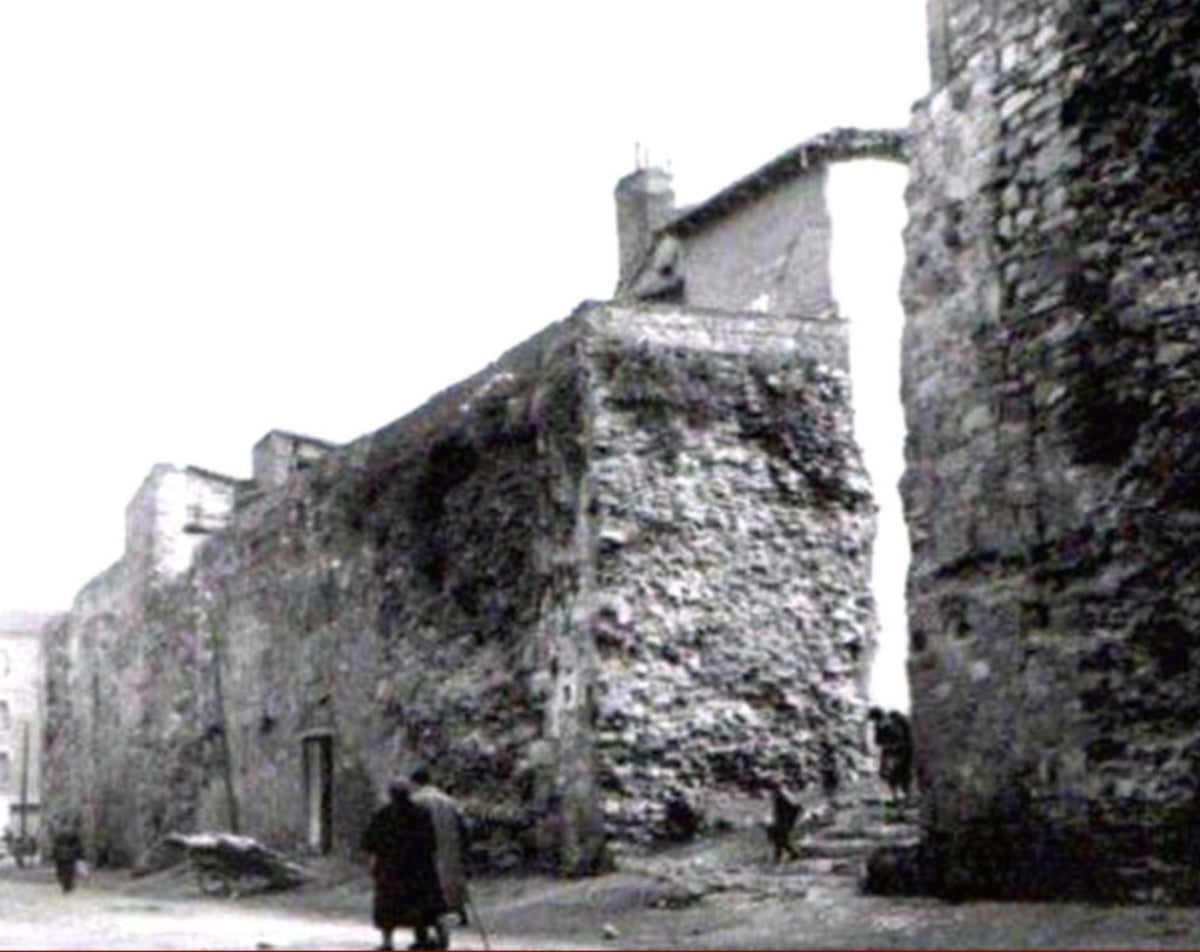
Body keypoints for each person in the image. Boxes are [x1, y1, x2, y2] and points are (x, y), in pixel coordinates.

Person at [361, 777, 444, 951]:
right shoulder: (421, 813)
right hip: (417, 869)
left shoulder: (382, 814)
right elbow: (431, 842)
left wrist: (373, 861)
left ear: (391, 795)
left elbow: (369, 842)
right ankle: (421, 938)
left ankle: (387, 942)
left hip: (390, 868)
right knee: (418, 904)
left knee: (387, 906)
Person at [409, 767, 469, 950]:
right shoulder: (450, 802)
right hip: (449, 855)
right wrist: (464, 853)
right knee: (444, 896)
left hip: (421, 857)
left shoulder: (414, 801)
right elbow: (464, 829)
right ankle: (442, 931)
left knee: (418, 897)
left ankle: (422, 937)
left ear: (415, 783)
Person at [869, 707, 914, 805]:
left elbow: (905, 739)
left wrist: (894, 747)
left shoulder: (897, 722)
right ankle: (895, 798)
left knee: (902, 775)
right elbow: (878, 741)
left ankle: (906, 798)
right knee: (888, 775)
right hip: (890, 752)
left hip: (903, 751)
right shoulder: (879, 726)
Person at [765, 779, 803, 864]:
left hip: (784, 821)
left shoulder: (783, 794)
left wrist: (790, 820)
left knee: (780, 839)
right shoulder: (780, 793)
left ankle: (792, 855)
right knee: (779, 840)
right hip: (781, 820)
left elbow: (797, 807)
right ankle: (781, 858)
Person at [51, 819, 84, 893]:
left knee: (62, 871)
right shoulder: (73, 832)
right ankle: (68, 885)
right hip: (70, 855)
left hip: (61, 855)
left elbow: (55, 845)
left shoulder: (58, 833)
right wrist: (79, 854)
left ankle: (66, 885)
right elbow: (78, 844)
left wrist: (54, 854)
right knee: (69, 871)